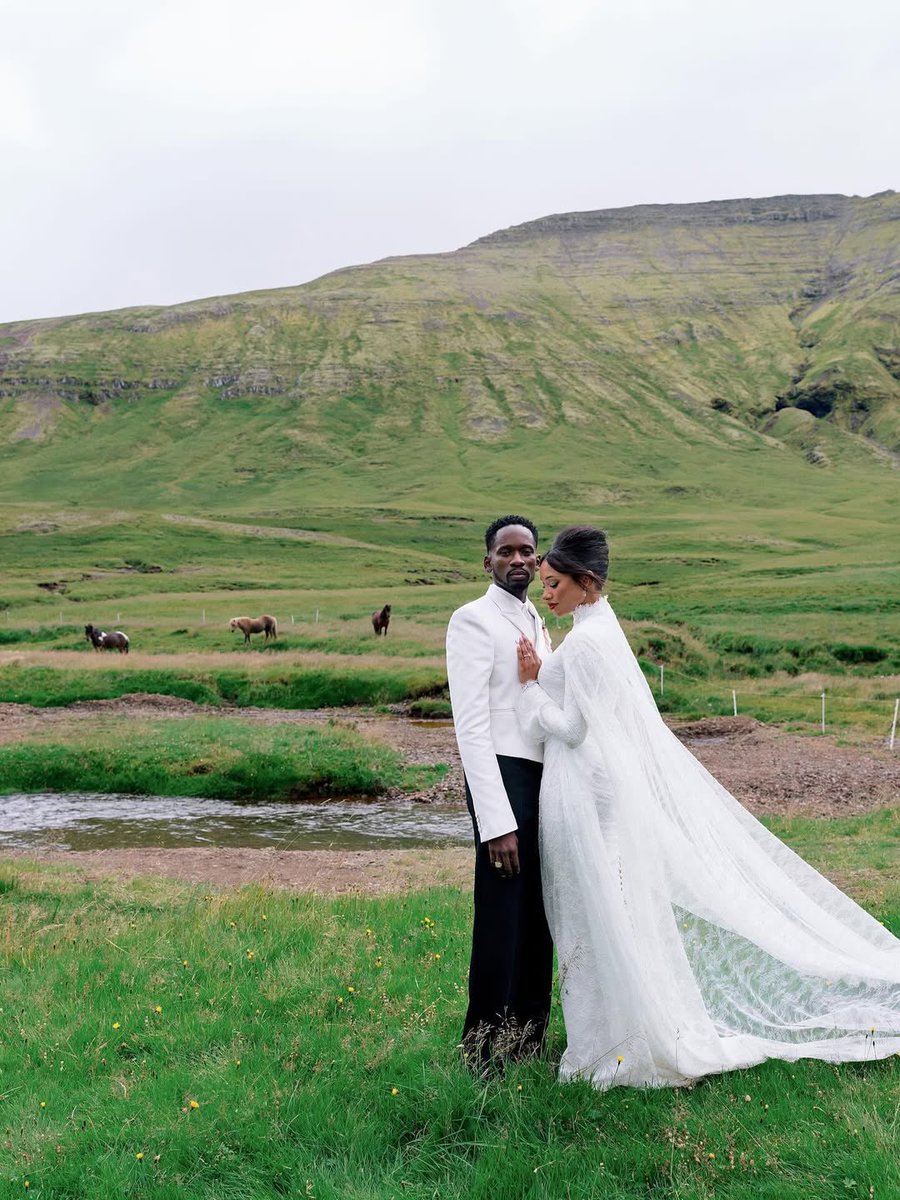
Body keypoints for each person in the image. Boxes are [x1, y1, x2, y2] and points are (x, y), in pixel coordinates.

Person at [515, 524, 900, 1090]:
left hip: (584, 787)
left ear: (587, 584)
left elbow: (573, 727)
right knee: (596, 910)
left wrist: (530, 687)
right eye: (544, 584)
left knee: (592, 912)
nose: (545, 594)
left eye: (554, 584)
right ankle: (607, 1035)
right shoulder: (595, 626)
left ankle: (612, 1047)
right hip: (586, 783)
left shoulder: (590, 641)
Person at [446, 515, 554, 1065]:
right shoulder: (472, 621)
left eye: (527, 551)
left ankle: (529, 1041)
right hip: (501, 779)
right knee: (501, 915)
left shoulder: (538, 619)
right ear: (486, 560)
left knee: (539, 914)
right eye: (506, 551)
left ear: (538, 561)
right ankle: (483, 1050)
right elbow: (471, 726)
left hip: (543, 779)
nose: (518, 559)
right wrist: (497, 822)